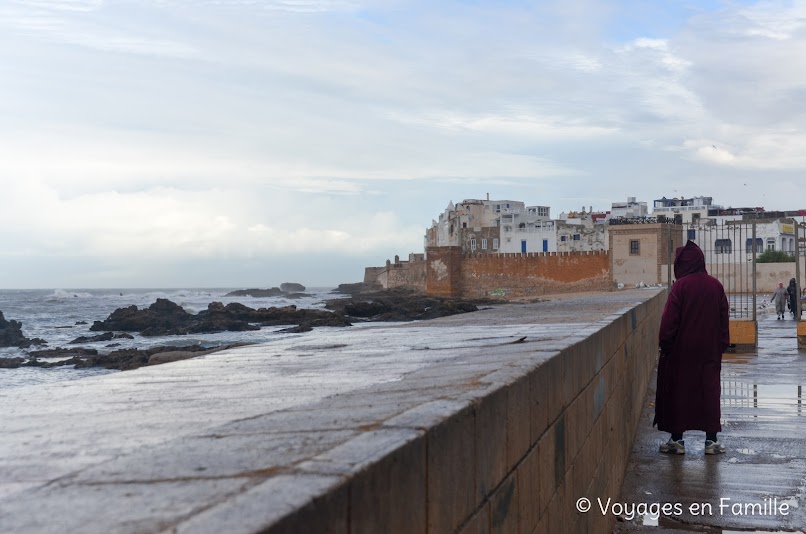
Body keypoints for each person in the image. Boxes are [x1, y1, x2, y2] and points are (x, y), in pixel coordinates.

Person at [654, 240, 730, 455]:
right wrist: (721, 344)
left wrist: (666, 346)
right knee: (709, 393)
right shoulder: (715, 286)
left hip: (682, 353)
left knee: (679, 393)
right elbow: (724, 318)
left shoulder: (681, 286)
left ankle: (677, 441)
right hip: (709, 352)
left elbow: (669, 322)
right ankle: (711, 441)